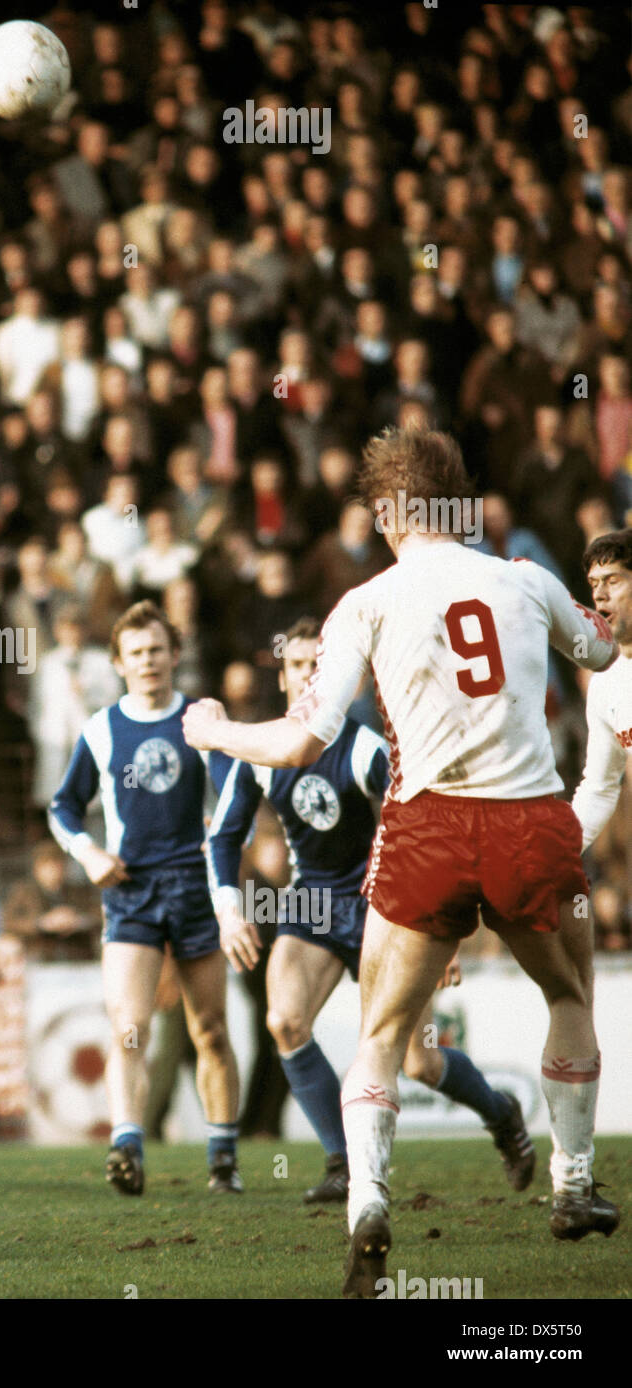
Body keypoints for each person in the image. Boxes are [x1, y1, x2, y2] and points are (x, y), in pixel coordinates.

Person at [182, 427, 619, 1297]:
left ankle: (371, 1207)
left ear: (388, 512)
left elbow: (305, 739)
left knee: (380, 1038)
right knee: (567, 996)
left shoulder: (366, 602)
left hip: (426, 826)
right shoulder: (525, 582)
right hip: (531, 818)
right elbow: (605, 651)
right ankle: (573, 1185)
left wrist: (214, 729)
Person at [208, 616, 535, 1202]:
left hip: (387, 904)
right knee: (284, 1022)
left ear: (341, 677)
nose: (309, 676)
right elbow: (221, 837)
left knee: (421, 1063)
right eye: (297, 666)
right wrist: (231, 910)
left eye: (318, 665)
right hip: (313, 900)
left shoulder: (366, 751)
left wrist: (445, 924)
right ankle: (343, 1164)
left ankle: (501, 1113)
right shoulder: (263, 750)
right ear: (282, 677)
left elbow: (427, 831)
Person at [48, 599, 241, 1197]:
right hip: (130, 892)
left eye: (158, 649)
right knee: (130, 1026)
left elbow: (235, 792)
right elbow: (61, 807)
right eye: (136, 653)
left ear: (175, 656)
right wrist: (91, 855)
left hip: (194, 888)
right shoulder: (101, 729)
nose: (149, 661)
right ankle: (127, 1144)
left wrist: (226, 851)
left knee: (209, 1029)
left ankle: (223, 1159)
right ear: (119, 664)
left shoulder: (201, 721)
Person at [572, 530, 632, 855]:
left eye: (612, 581)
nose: (600, 595)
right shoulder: (605, 685)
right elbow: (599, 787)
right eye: (594, 584)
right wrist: (552, 857)